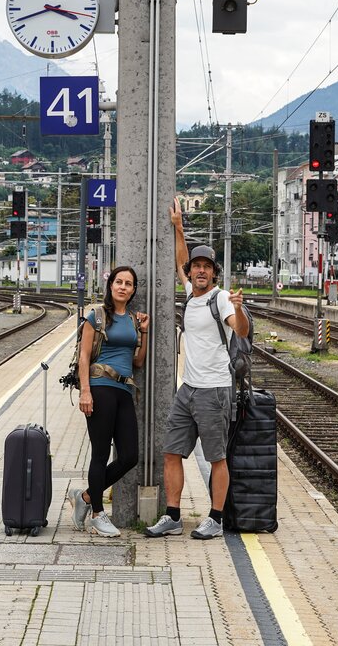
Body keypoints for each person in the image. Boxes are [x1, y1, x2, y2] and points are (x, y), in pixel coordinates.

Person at [145, 198, 250, 540]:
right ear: (191, 273)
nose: (200, 270)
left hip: (215, 390)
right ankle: (173, 516)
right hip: (187, 388)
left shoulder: (220, 298)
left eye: (207, 267)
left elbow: (241, 329)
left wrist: (239, 309)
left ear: (214, 273)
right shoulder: (190, 293)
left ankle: (216, 519)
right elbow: (179, 258)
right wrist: (179, 226)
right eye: (196, 266)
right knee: (172, 452)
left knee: (216, 457)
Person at [68, 265, 149, 537]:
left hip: (124, 390)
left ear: (134, 289)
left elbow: (137, 361)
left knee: (129, 456)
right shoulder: (97, 317)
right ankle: (98, 514)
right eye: (119, 282)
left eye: (129, 283)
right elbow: (84, 357)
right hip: (100, 388)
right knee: (100, 454)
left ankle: (87, 497)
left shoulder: (134, 321)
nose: (123, 287)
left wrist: (145, 332)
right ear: (111, 286)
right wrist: (85, 391)